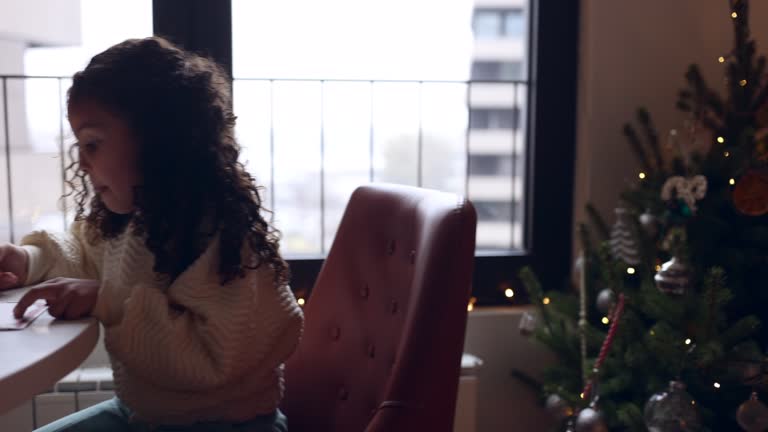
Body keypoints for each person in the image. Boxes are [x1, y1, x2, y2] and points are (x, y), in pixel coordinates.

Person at [0, 36, 303, 432]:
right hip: (142, 416)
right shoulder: (134, 218)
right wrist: (28, 260)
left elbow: (212, 359)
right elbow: (84, 251)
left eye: (92, 144)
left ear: (158, 139)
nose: (84, 163)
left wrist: (107, 301)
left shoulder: (223, 237)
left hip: (227, 425)